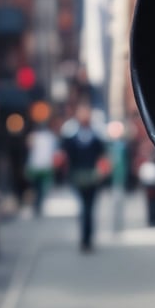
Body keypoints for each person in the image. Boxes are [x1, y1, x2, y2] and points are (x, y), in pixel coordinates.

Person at [61, 103, 107, 252]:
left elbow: (102, 156)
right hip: (77, 176)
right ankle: (84, 236)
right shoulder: (71, 136)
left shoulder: (96, 136)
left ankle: (87, 238)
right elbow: (66, 156)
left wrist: (101, 171)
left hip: (93, 176)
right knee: (83, 208)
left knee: (89, 208)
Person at [25, 123, 59, 216]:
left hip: (42, 166)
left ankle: (38, 204)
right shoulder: (36, 136)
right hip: (38, 166)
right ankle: (37, 204)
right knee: (37, 187)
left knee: (40, 187)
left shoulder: (49, 137)